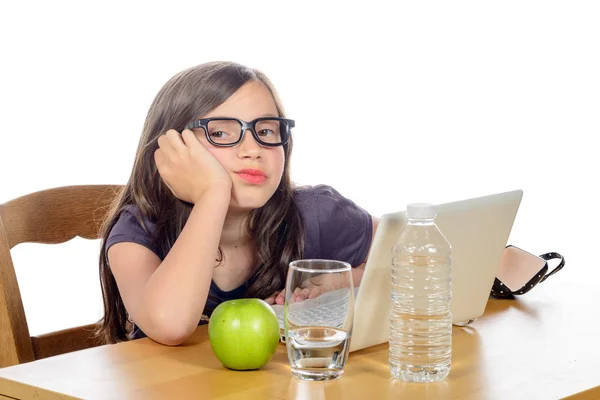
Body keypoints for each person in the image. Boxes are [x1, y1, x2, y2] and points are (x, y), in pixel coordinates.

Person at [96, 61, 378, 346]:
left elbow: (415, 258)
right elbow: (171, 324)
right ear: (171, 150)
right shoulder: (137, 230)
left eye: (266, 132)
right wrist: (212, 193)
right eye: (220, 133)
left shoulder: (315, 212)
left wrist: (340, 282)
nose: (253, 150)